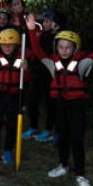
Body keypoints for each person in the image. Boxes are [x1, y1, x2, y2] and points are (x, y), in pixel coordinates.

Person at [26, 13, 93, 186]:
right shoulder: (53, 63)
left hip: (76, 107)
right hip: (60, 104)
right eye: (61, 47)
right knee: (62, 137)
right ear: (56, 47)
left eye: (68, 47)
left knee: (76, 140)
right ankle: (63, 165)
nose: (64, 50)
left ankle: (81, 174)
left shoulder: (82, 64)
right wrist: (31, 31)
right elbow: (37, 51)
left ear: (75, 48)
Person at [0, 28, 30, 164]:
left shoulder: (22, 61)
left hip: (15, 96)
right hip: (0, 95)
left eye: (10, 45)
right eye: (4, 45)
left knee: (12, 124)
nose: (7, 48)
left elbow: (27, 80)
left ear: (16, 46)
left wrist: (25, 69)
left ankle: (8, 150)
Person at [23, 10, 60, 142]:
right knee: (32, 99)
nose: (44, 23)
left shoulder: (56, 38)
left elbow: (40, 52)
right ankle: (33, 127)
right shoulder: (43, 34)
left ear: (56, 24)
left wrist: (32, 30)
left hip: (49, 74)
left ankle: (49, 129)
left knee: (50, 103)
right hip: (37, 71)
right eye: (44, 21)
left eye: (47, 21)